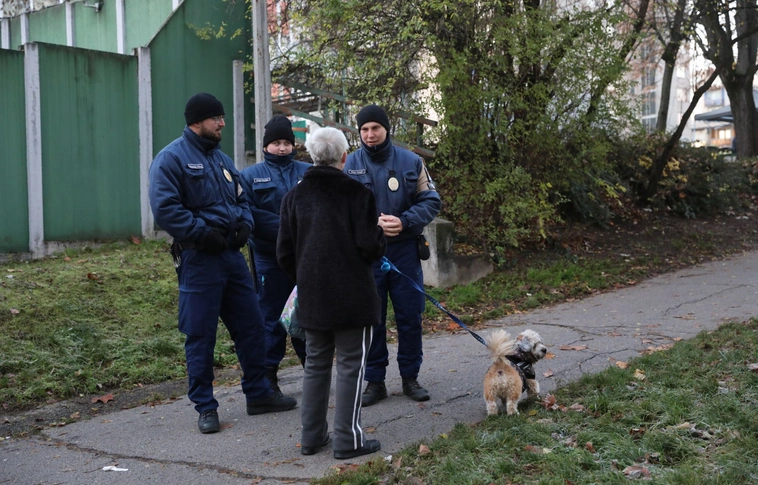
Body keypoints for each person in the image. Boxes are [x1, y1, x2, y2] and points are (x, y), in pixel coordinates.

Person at [148, 92, 297, 434]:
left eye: (222, 117)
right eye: (217, 118)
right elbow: (165, 208)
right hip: (199, 259)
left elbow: (242, 200)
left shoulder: (223, 160)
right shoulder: (171, 159)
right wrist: (201, 233)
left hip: (232, 257)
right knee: (200, 334)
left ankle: (258, 394)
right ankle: (205, 406)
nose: (222, 124)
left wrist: (245, 224)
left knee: (252, 326)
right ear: (197, 121)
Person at [277, 126, 386, 459]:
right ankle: (348, 440)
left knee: (316, 364)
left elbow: (284, 253)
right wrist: (381, 234)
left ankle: (311, 437)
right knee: (351, 365)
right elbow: (370, 247)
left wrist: (307, 277)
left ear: (311, 155)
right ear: (344, 156)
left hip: (313, 296)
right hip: (354, 296)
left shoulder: (293, 197)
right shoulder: (358, 194)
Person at [344, 104, 441, 406]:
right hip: (368, 255)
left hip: (404, 252)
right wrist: (370, 224)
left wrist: (405, 221)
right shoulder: (349, 164)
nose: (370, 134)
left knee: (409, 317)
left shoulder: (411, 161)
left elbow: (431, 200)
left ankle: (410, 378)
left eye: (375, 128)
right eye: (364, 129)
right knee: (372, 319)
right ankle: (375, 382)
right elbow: (341, 208)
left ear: (386, 129)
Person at [240, 116, 310, 396]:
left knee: (306, 315)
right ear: (265, 146)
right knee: (271, 319)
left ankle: (314, 372)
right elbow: (249, 213)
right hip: (269, 259)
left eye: (286, 143)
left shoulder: (308, 172)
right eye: (276, 143)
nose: (282, 148)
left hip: (305, 258)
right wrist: (288, 228)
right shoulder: (249, 176)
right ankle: (269, 376)